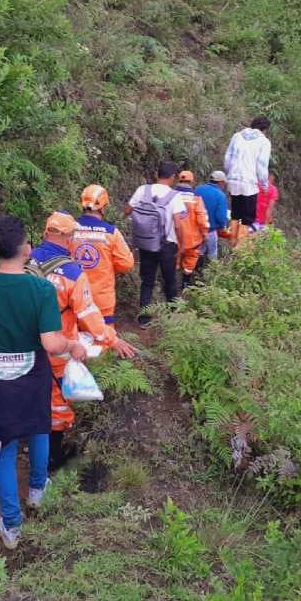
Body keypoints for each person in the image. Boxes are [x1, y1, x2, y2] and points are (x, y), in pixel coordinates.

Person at [0, 214, 85, 551]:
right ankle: (37, 490)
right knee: (39, 426)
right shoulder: (41, 289)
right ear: (28, 249)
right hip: (32, 371)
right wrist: (72, 345)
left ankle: (13, 526)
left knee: (4, 447)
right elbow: (51, 343)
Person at [31, 212, 137, 473]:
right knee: (57, 405)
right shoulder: (71, 271)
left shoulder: (26, 261)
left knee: (30, 397)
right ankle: (49, 463)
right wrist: (111, 339)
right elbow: (88, 313)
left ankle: (32, 448)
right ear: (67, 237)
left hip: (25, 345)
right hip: (58, 347)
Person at [126, 162, 190, 326]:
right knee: (169, 280)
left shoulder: (143, 190)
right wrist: (182, 245)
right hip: (167, 245)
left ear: (157, 174)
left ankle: (144, 319)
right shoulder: (174, 196)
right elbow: (178, 224)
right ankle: (172, 316)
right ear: (172, 177)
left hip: (146, 243)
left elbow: (128, 210)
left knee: (147, 281)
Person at [70, 185, 135, 334]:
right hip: (101, 300)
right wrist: (108, 267)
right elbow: (126, 264)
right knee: (104, 339)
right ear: (103, 207)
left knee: (75, 340)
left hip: (74, 297)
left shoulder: (70, 229)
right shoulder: (111, 233)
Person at [223, 116, 272, 229]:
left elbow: (227, 159)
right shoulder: (264, 142)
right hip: (249, 184)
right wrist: (264, 184)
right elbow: (261, 165)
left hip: (233, 182)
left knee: (235, 215)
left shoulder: (237, 136)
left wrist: (230, 174)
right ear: (265, 129)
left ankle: (233, 242)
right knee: (247, 218)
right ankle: (241, 245)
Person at [174, 171, 210, 288]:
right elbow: (202, 219)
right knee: (190, 261)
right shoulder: (196, 200)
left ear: (178, 180)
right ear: (192, 182)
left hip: (174, 238)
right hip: (192, 240)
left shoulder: (170, 196)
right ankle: (185, 284)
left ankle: (171, 283)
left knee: (174, 259)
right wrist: (205, 234)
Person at [194, 170, 230, 268]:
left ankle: (195, 274)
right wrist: (223, 226)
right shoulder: (220, 195)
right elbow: (221, 216)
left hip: (196, 229)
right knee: (212, 254)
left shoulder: (198, 189)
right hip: (210, 230)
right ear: (220, 182)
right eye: (224, 183)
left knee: (198, 252)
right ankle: (211, 276)